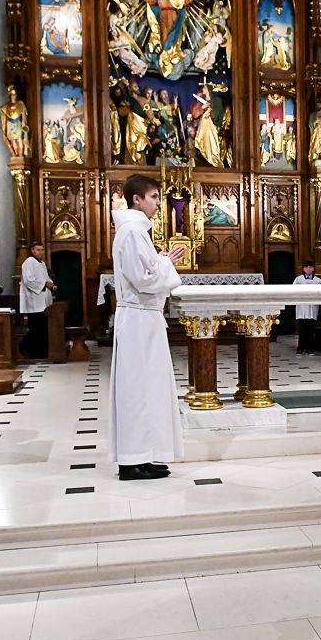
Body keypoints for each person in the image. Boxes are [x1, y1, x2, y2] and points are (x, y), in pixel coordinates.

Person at [109, 175, 187, 481]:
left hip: (145, 319)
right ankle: (131, 461)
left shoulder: (137, 231)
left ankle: (145, 454)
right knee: (136, 389)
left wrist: (162, 260)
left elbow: (144, 271)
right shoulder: (131, 232)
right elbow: (144, 279)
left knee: (149, 387)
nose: (158, 203)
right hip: (138, 320)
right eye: (153, 197)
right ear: (136, 199)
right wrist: (165, 264)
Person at [20, 242, 55, 358]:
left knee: (43, 328)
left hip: (44, 302)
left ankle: (43, 352)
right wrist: (45, 285)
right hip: (34, 302)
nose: (40, 252)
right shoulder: (29, 262)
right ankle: (34, 353)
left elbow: (46, 278)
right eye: (38, 250)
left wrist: (51, 284)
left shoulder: (42, 263)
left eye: (42, 250)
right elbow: (28, 280)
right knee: (35, 329)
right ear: (32, 250)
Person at [293, 260, 321, 354]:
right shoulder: (298, 279)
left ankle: (310, 348)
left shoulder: (317, 280)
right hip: (302, 306)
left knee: (310, 328)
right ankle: (300, 347)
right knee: (302, 328)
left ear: (313, 269)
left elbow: (320, 293)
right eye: (306, 267)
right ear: (303, 269)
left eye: (310, 267)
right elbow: (293, 291)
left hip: (312, 306)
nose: (308, 269)